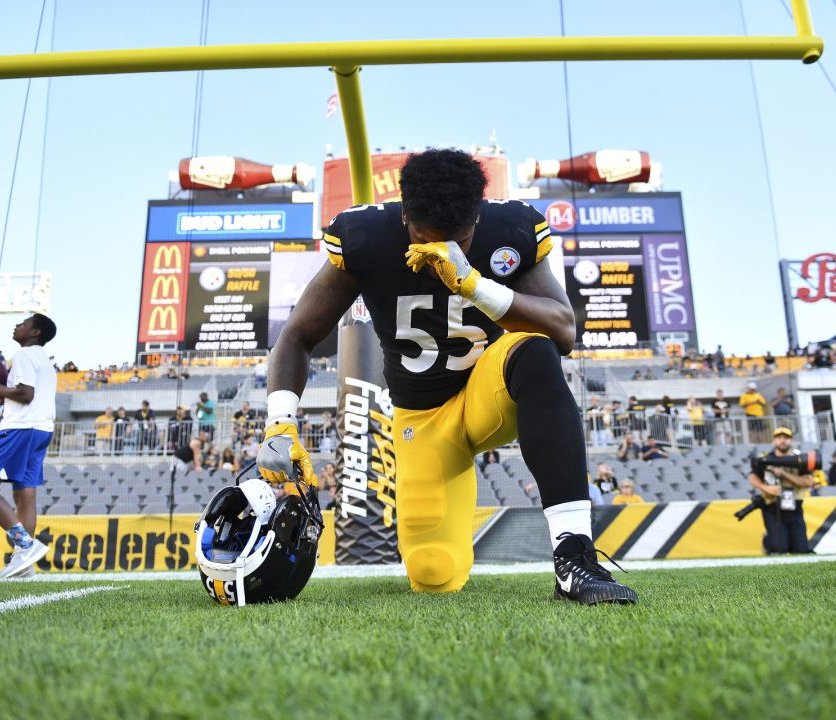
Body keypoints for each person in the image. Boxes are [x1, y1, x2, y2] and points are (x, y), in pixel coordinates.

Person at [257, 149, 636, 604]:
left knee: (536, 348)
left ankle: (574, 556)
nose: (442, 249)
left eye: (458, 238)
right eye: (426, 236)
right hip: (424, 417)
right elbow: (296, 335)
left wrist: (475, 284)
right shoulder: (366, 238)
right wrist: (280, 421)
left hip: (491, 389)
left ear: (477, 217)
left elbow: (564, 329)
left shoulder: (509, 228)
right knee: (433, 571)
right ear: (404, 217)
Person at [0, 313, 59, 578]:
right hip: (41, 429)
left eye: (23, 323)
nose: (17, 325)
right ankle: (24, 565)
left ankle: (25, 544)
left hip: (20, 429)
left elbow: (24, 394)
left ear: (35, 333)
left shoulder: (24, 355)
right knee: (24, 494)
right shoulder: (45, 361)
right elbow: (28, 394)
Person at [747, 427, 814, 554]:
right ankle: (769, 541)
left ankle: (776, 539)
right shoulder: (765, 458)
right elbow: (752, 477)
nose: (782, 441)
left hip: (794, 507)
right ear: (773, 441)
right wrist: (766, 488)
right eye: (779, 438)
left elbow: (808, 481)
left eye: (786, 438)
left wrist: (783, 473)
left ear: (791, 441)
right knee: (779, 549)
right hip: (773, 507)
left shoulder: (800, 459)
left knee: (801, 550)